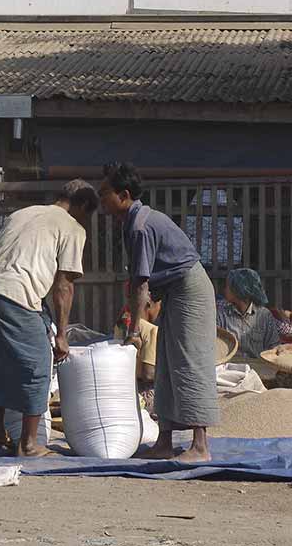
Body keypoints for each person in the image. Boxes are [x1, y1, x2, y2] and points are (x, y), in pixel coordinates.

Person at [100, 162, 219, 463]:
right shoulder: (133, 222)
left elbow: (141, 285)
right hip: (174, 291)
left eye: (105, 194)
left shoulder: (141, 226)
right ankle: (164, 441)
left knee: (188, 361)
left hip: (190, 290)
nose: (101, 200)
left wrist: (134, 330)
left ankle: (200, 446)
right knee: (166, 362)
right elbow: (139, 284)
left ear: (124, 195)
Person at [0, 179, 98, 458]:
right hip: (17, 297)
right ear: (81, 206)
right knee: (38, 365)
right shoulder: (72, 228)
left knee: (4, 361)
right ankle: (29, 444)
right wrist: (62, 335)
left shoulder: (22, 214)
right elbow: (64, 285)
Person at [217, 268, 281, 358]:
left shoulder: (264, 316)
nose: (225, 290)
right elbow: (216, 346)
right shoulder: (221, 315)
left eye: (228, 287)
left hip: (257, 368)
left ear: (239, 290)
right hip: (230, 368)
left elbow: (274, 347)